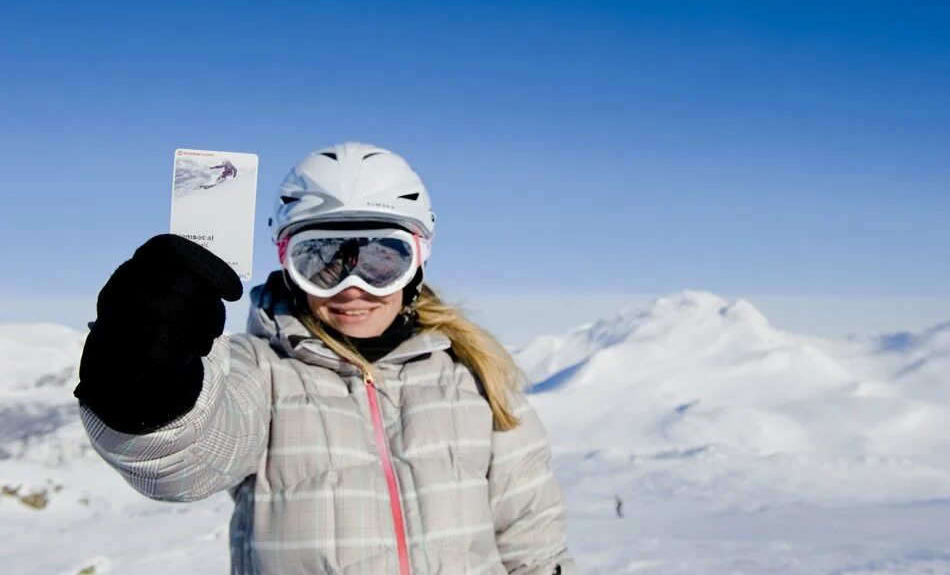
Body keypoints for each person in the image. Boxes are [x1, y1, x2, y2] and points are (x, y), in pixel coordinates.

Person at [74, 141, 576, 575]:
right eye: (322, 260)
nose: (353, 288)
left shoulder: (474, 377)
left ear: (418, 263)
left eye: (384, 260)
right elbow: (185, 462)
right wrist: (141, 381)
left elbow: (531, 539)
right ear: (288, 266)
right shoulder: (263, 373)